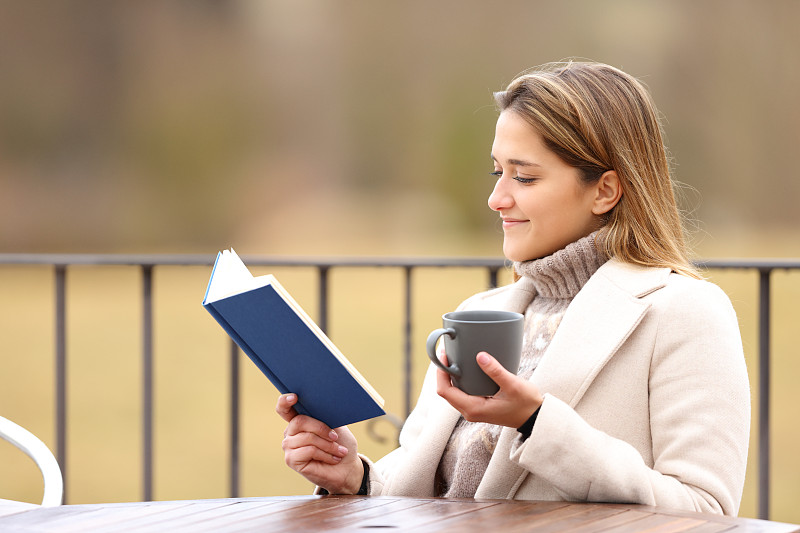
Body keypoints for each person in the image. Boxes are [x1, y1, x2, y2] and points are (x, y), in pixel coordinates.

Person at [276, 61, 751, 516]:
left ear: (605, 190)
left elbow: (705, 512)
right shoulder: (481, 312)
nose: (496, 197)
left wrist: (537, 421)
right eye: (496, 171)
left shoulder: (685, 313)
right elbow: (433, 497)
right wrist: (355, 478)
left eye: (524, 176)